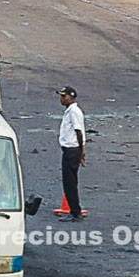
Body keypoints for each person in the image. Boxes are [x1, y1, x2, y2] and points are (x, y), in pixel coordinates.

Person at [57, 86, 85, 223]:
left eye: (64, 96)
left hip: (72, 150)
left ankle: (75, 212)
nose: (61, 99)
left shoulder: (74, 112)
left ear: (71, 97)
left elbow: (79, 132)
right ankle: (75, 210)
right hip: (71, 150)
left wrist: (81, 151)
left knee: (70, 183)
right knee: (70, 181)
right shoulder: (70, 111)